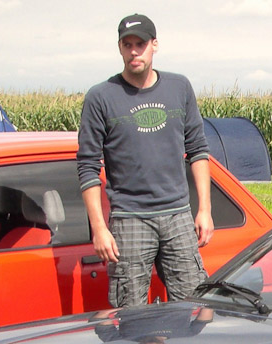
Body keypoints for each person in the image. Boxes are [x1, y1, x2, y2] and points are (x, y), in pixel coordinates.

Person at [77, 13, 214, 308]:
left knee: (195, 308)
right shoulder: (101, 97)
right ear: (120, 48)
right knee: (130, 315)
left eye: (140, 43)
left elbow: (198, 150)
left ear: (154, 45)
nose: (134, 51)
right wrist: (100, 229)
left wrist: (204, 209)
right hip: (129, 219)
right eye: (127, 45)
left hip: (178, 215)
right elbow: (88, 166)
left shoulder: (179, 88)